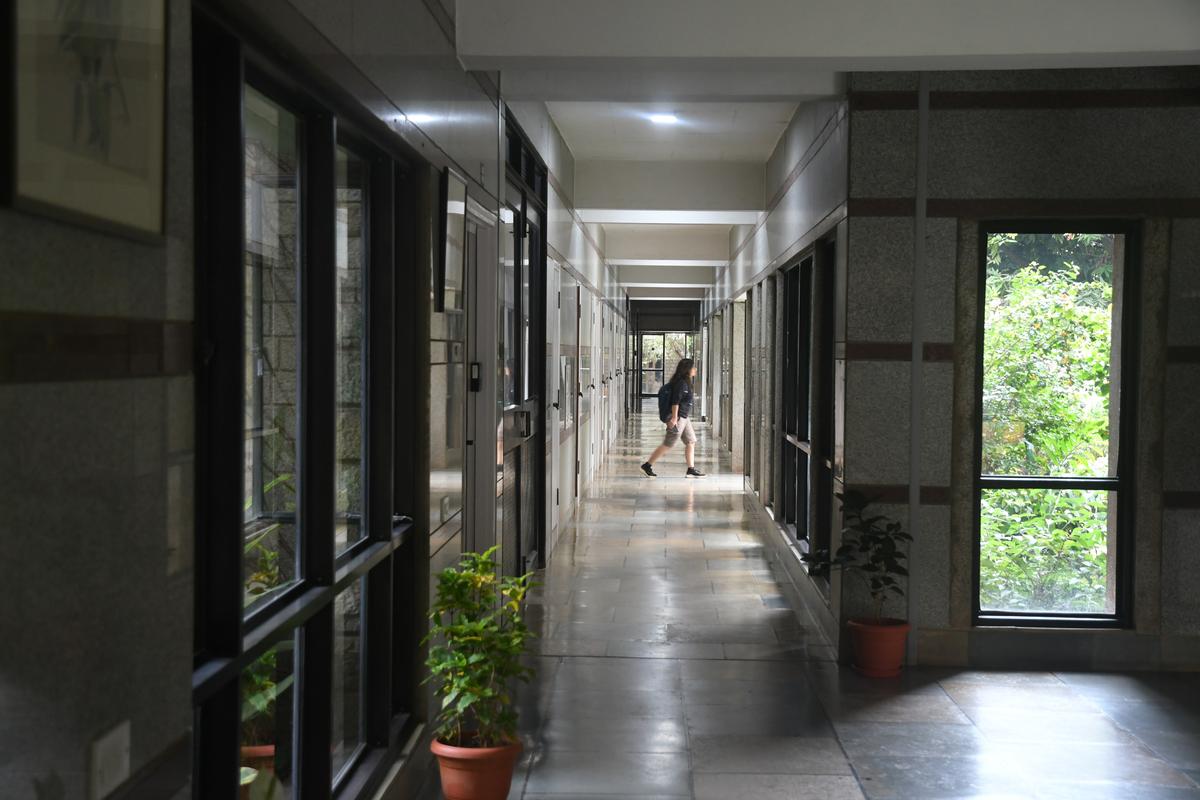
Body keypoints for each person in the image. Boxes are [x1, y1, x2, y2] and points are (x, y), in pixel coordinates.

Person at [641, 358, 705, 478]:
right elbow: (675, 402)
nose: (695, 369)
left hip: (684, 418)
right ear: (687, 370)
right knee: (668, 443)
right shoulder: (681, 383)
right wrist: (674, 419)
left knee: (691, 441)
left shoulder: (685, 382)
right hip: (679, 418)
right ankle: (647, 465)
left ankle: (690, 469)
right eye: (693, 367)